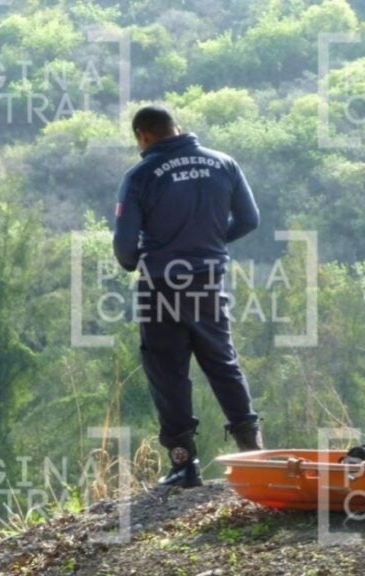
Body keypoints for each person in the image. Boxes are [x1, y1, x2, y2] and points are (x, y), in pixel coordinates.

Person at [113, 105, 264, 488]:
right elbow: (249, 219)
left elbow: (125, 250)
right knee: (221, 360)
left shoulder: (140, 175)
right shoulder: (224, 163)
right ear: (175, 128)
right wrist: (208, 242)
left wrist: (148, 256)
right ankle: (253, 454)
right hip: (208, 279)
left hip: (161, 284)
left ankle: (184, 465)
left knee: (168, 371)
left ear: (143, 136)